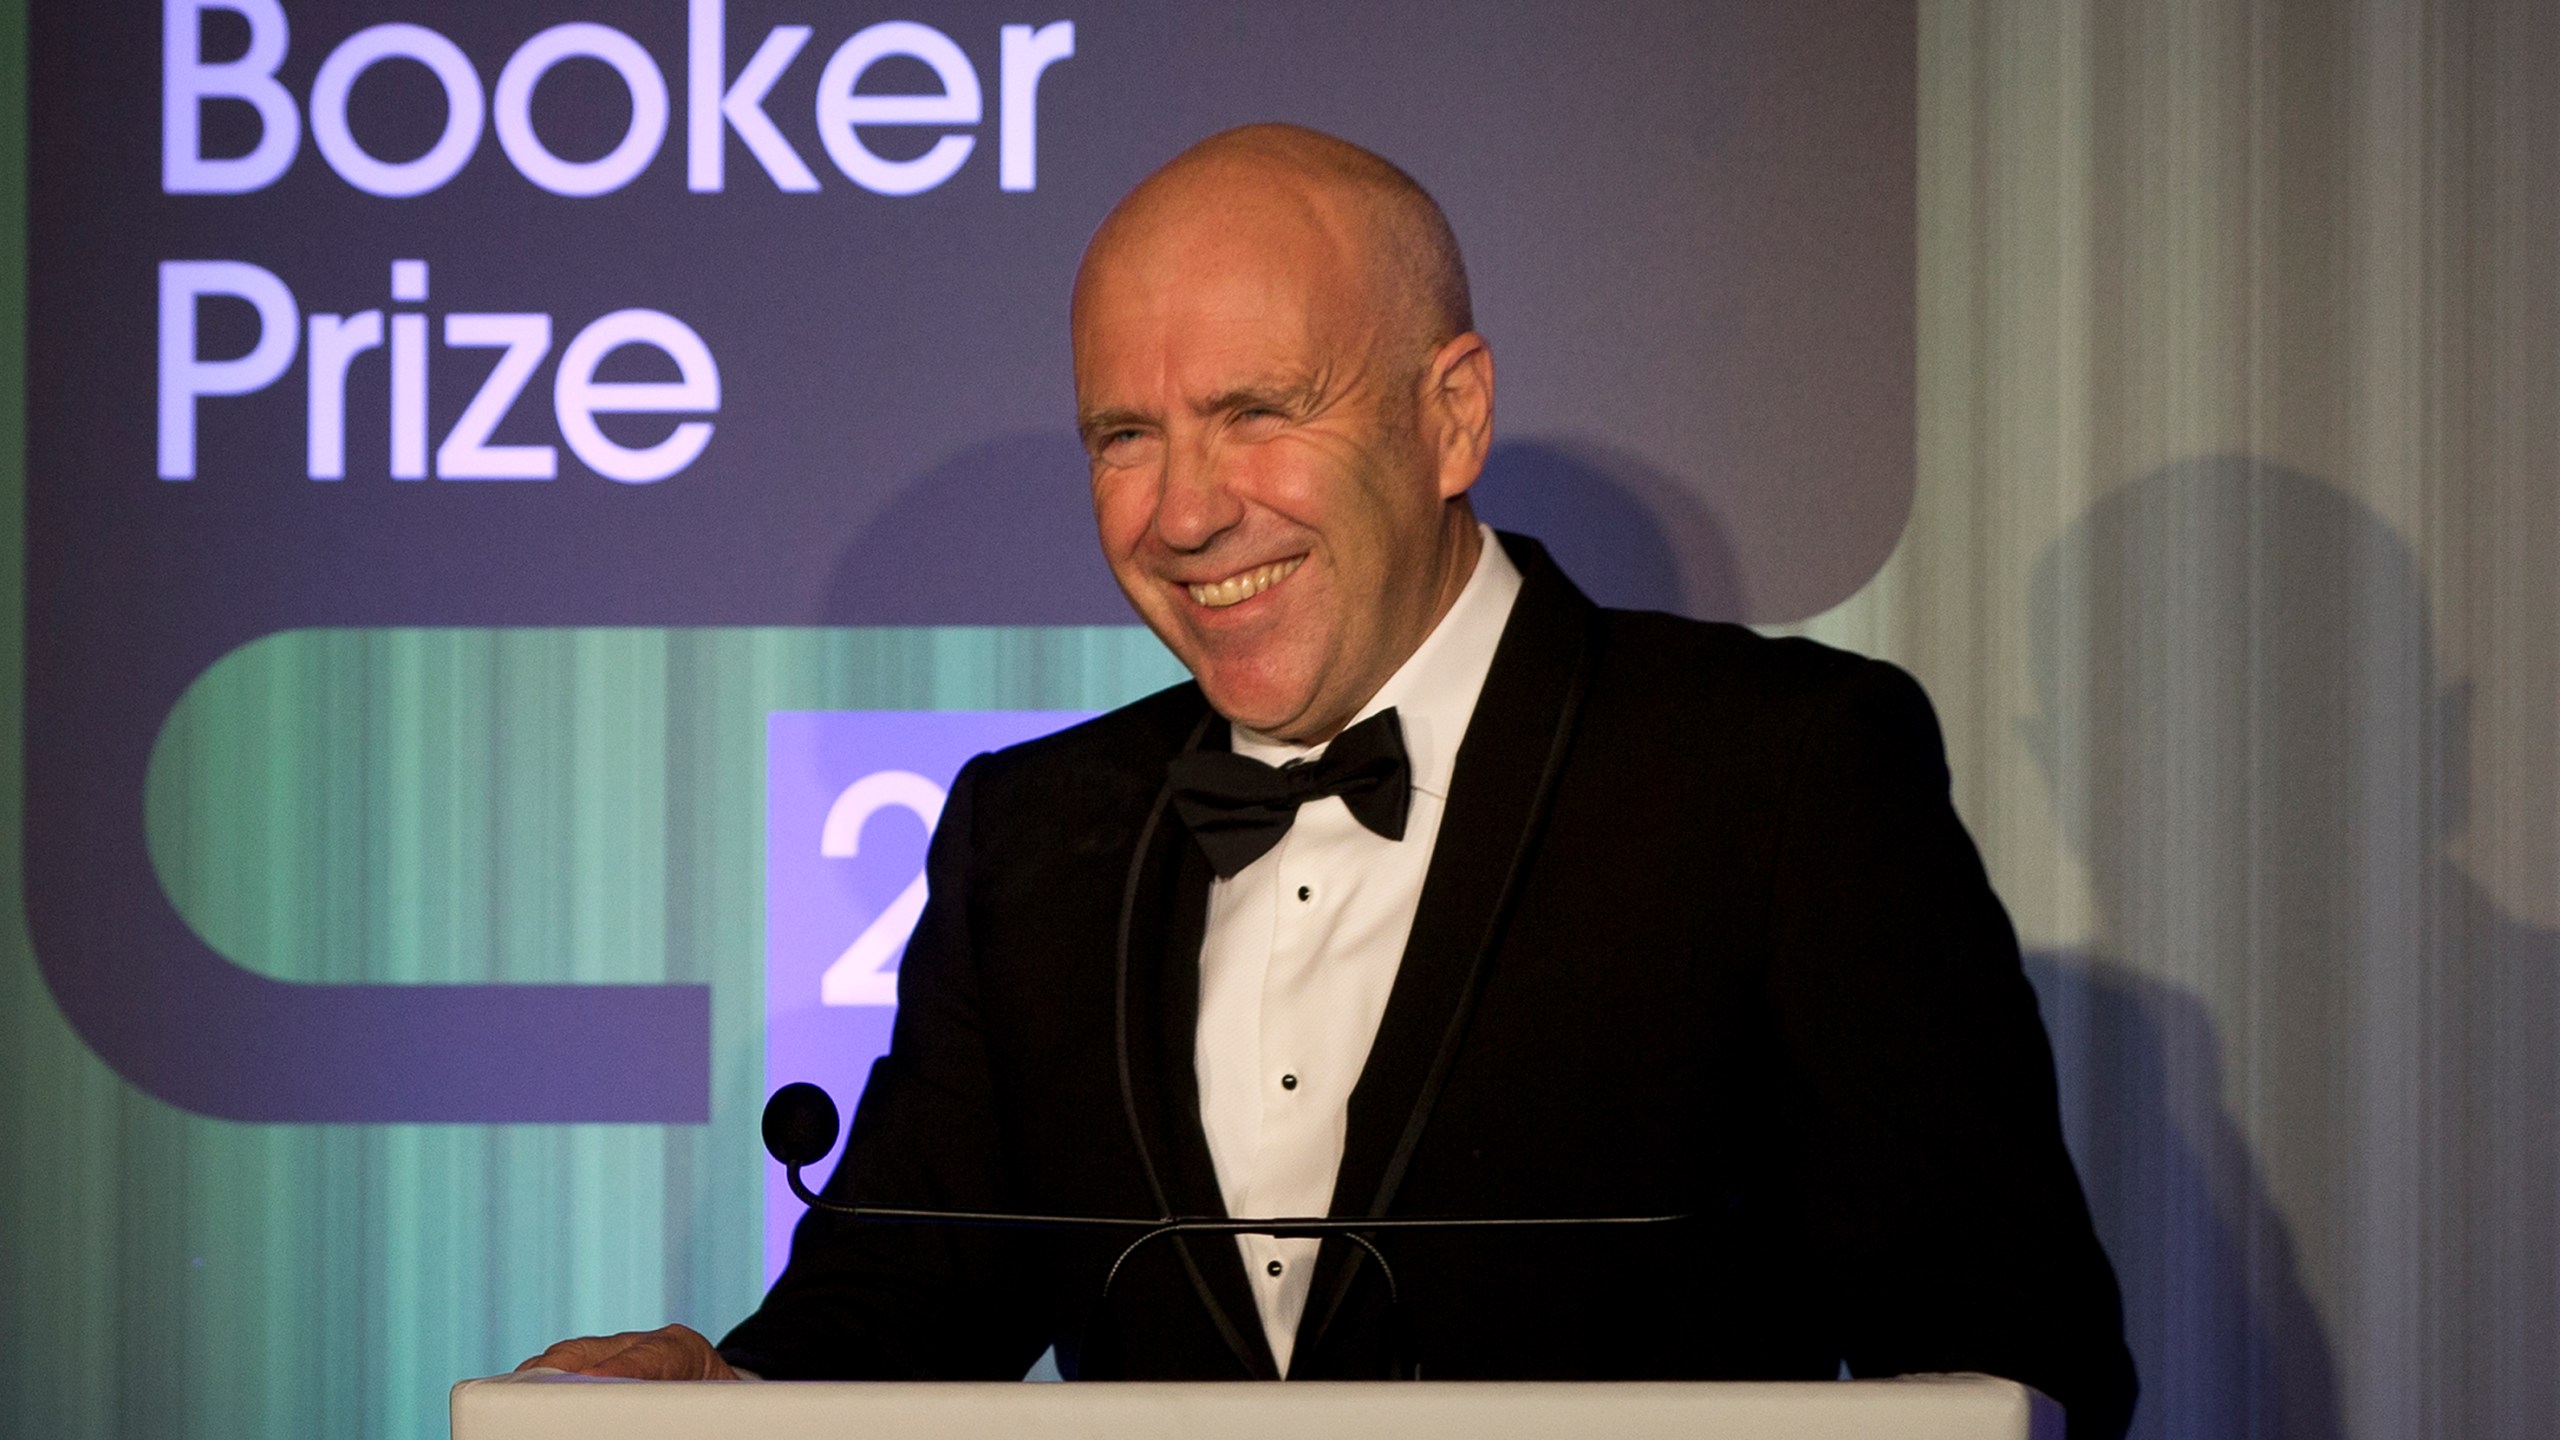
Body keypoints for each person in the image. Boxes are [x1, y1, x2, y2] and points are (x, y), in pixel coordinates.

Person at [524, 124, 2138, 1437]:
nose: (1184, 512)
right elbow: (898, 1314)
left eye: (1256, 413)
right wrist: (724, 1395)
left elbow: (2006, 1353)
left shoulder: (1779, 769)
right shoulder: (1031, 837)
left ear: (1452, 416)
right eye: (1124, 435)